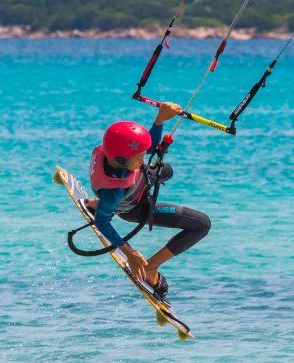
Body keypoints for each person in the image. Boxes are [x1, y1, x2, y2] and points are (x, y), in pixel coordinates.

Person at [86, 102, 210, 298]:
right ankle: (150, 267)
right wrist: (130, 254)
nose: (144, 159)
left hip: (136, 186)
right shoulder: (114, 190)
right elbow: (102, 223)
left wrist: (160, 119)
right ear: (123, 161)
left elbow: (149, 147)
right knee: (202, 224)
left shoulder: (111, 155)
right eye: (139, 157)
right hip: (136, 208)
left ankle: (101, 205)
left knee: (166, 170)